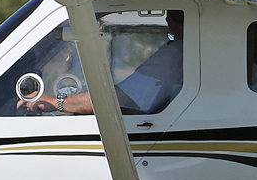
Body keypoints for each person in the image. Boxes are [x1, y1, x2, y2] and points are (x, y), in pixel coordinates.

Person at [21, 12, 183, 116]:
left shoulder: (178, 52)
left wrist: (55, 102)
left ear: (170, 20)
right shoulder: (186, 49)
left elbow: (119, 98)